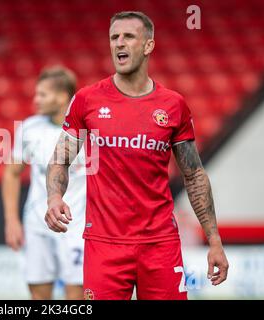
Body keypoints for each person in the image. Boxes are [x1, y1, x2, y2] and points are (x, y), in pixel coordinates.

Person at [45, 11, 229, 300]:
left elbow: (193, 175)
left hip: (160, 244)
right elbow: (60, 160)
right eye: (114, 37)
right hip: (104, 244)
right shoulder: (87, 100)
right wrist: (54, 197)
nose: (119, 43)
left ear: (148, 46)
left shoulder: (173, 106)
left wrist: (214, 241)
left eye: (128, 36)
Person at [1, 66, 86, 300]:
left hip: (77, 226)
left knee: (76, 296)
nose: (35, 100)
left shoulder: (88, 130)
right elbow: (12, 173)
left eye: (43, 95)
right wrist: (11, 220)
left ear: (61, 97)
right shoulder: (30, 128)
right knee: (38, 295)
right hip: (37, 224)